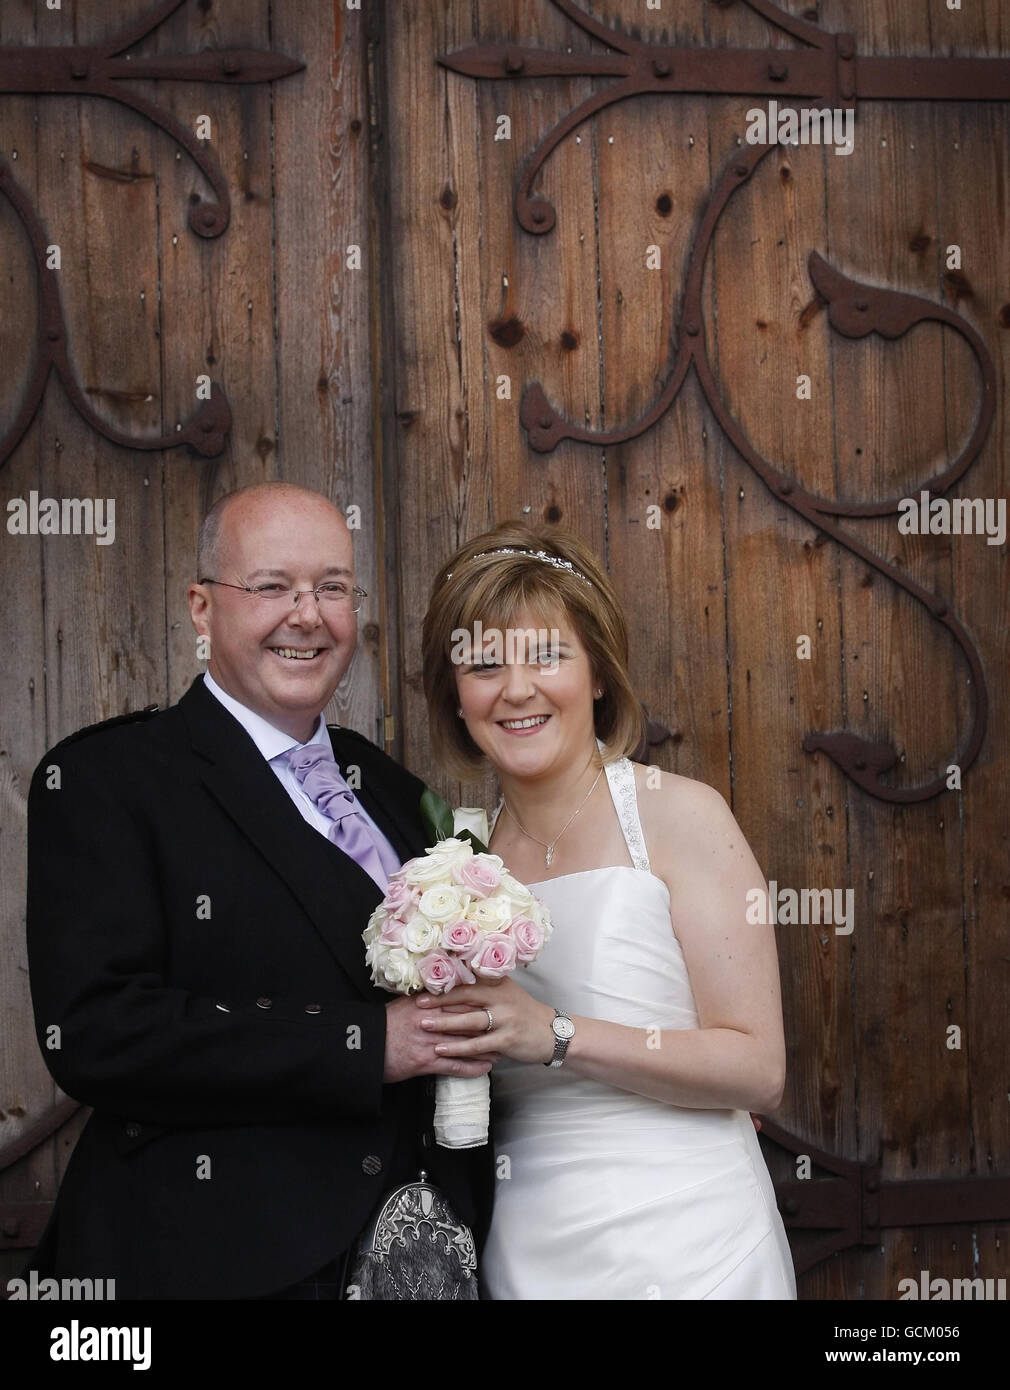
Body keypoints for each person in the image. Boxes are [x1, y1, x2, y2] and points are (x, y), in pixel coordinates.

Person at [24, 481, 494, 1299]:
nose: (307, 614)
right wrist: (360, 1045)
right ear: (203, 610)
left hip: (411, 1260)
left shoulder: (383, 782)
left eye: (332, 587)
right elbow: (97, 1031)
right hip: (214, 1260)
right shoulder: (108, 778)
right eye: (271, 586)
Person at [418, 521, 797, 1299]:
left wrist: (551, 1034)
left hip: (694, 1242)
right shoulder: (452, 855)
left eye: (547, 657)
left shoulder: (679, 817)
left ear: (597, 673)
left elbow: (759, 1070)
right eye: (483, 665)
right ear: (455, 695)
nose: (515, 689)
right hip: (527, 1245)